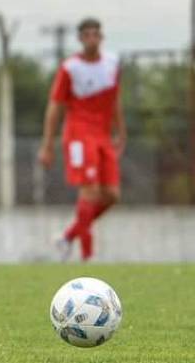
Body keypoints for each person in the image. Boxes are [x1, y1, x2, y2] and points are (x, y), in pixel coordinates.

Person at [38, 18, 126, 262]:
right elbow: (55, 107)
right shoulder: (70, 68)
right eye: (86, 34)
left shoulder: (112, 64)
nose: (91, 38)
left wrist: (120, 130)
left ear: (101, 37)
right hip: (78, 135)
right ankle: (87, 256)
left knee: (111, 195)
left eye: (95, 34)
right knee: (90, 191)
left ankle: (67, 237)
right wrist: (48, 144)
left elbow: (114, 99)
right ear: (80, 39)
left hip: (103, 135)